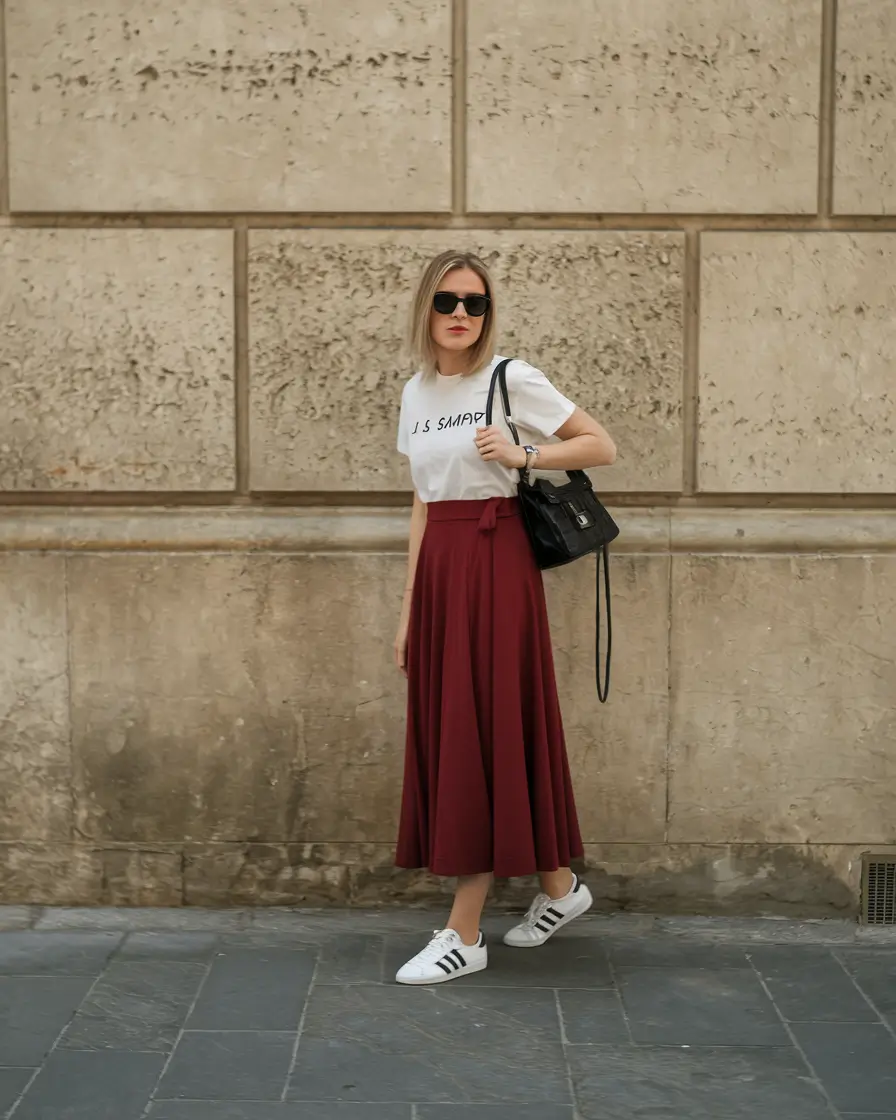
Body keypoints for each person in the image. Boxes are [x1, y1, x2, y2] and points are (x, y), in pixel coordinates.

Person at [392, 250, 617, 985]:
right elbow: (423, 502)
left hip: (497, 565)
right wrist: (408, 611)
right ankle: (560, 888)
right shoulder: (415, 392)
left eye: (476, 303)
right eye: (449, 301)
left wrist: (525, 453)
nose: (462, 314)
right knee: (479, 727)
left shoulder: (510, 378)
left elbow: (601, 445)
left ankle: (464, 934)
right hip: (442, 573)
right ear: (427, 307)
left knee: (482, 729)